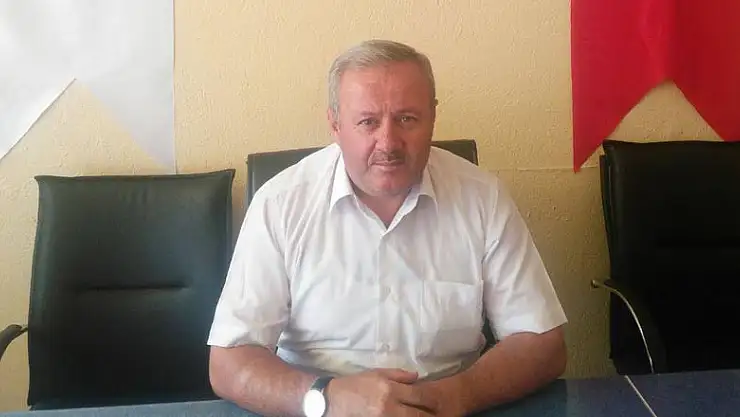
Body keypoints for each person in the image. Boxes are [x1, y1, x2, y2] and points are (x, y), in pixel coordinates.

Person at [207, 39, 568, 417]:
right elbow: (230, 361)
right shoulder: (280, 204)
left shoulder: (483, 198)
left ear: (433, 116)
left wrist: (455, 396)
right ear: (335, 124)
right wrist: (327, 399)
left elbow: (542, 342)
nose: (388, 143)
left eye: (407, 119)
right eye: (368, 122)